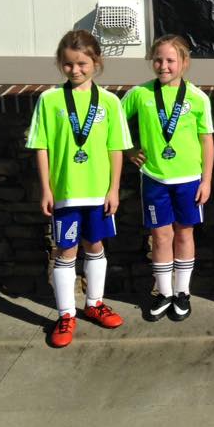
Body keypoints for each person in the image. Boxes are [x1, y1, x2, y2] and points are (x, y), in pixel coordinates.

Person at [27, 30, 132, 347]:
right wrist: (46, 189)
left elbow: (116, 149)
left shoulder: (110, 102)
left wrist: (113, 189)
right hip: (66, 192)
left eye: (82, 63)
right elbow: (41, 147)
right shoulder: (50, 100)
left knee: (96, 246)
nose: (75, 70)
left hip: (98, 192)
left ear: (96, 62)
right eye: (68, 64)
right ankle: (65, 314)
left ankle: (95, 303)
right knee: (66, 251)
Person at [122, 34, 214, 322]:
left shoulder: (197, 98)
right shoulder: (140, 93)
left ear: (184, 62)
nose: (163, 66)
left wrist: (207, 180)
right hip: (154, 178)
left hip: (189, 179)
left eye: (170, 60)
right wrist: (128, 150)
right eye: (158, 60)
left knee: (184, 234)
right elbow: (114, 123)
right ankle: (163, 293)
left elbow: (207, 141)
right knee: (160, 236)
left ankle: (182, 292)